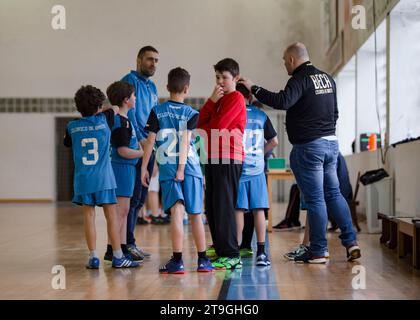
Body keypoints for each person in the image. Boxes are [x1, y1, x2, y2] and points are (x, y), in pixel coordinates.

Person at [240, 42, 361, 264]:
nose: (285, 65)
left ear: (292, 60)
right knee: (334, 195)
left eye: (285, 61)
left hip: (309, 148)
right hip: (331, 144)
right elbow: (335, 112)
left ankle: (318, 250)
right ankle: (351, 242)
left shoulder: (299, 79)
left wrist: (253, 88)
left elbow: (282, 101)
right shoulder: (327, 79)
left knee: (316, 199)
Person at [141, 67, 214, 274]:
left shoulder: (156, 111)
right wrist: (183, 168)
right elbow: (185, 142)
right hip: (190, 167)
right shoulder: (192, 113)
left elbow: (150, 141)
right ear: (186, 89)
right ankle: (202, 260)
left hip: (170, 168)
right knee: (195, 214)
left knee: (177, 211)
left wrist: (144, 168)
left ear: (167, 87)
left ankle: (178, 260)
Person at [63, 85, 139, 269]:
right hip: (104, 178)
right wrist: (101, 109)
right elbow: (113, 108)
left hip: (83, 179)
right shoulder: (106, 119)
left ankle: (93, 257)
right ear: (99, 105)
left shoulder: (72, 126)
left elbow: (67, 143)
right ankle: (118, 256)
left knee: (89, 217)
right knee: (111, 217)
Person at [198, 58, 246, 270]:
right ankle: (220, 248)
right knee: (213, 207)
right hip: (213, 157)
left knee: (225, 206)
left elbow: (217, 126)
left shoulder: (236, 97)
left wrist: (206, 127)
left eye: (224, 78)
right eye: (217, 77)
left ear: (235, 78)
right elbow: (200, 123)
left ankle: (231, 254)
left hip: (229, 158)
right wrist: (210, 101)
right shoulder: (217, 100)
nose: (220, 82)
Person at [121, 46, 159, 260]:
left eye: (156, 60)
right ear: (138, 60)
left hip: (150, 145)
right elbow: (130, 114)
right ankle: (126, 244)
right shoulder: (129, 81)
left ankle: (130, 242)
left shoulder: (152, 86)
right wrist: (141, 141)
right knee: (133, 197)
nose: (153, 64)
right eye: (149, 59)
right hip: (137, 145)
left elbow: (155, 117)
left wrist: (155, 146)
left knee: (141, 197)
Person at [235, 83, 278, 266]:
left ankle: (234, 253)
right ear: (250, 97)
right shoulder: (261, 114)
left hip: (238, 169)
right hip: (257, 170)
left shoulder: (233, 113)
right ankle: (261, 253)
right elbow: (274, 141)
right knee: (258, 210)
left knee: (238, 211)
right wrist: (261, 152)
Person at [103, 81, 144, 264]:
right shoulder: (120, 122)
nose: (135, 98)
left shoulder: (125, 120)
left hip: (127, 170)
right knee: (119, 212)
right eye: (134, 95)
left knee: (124, 211)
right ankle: (114, 250)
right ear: (126, 100)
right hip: (121, 168)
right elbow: (122, 151)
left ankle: (122, 248)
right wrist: (143, 153)